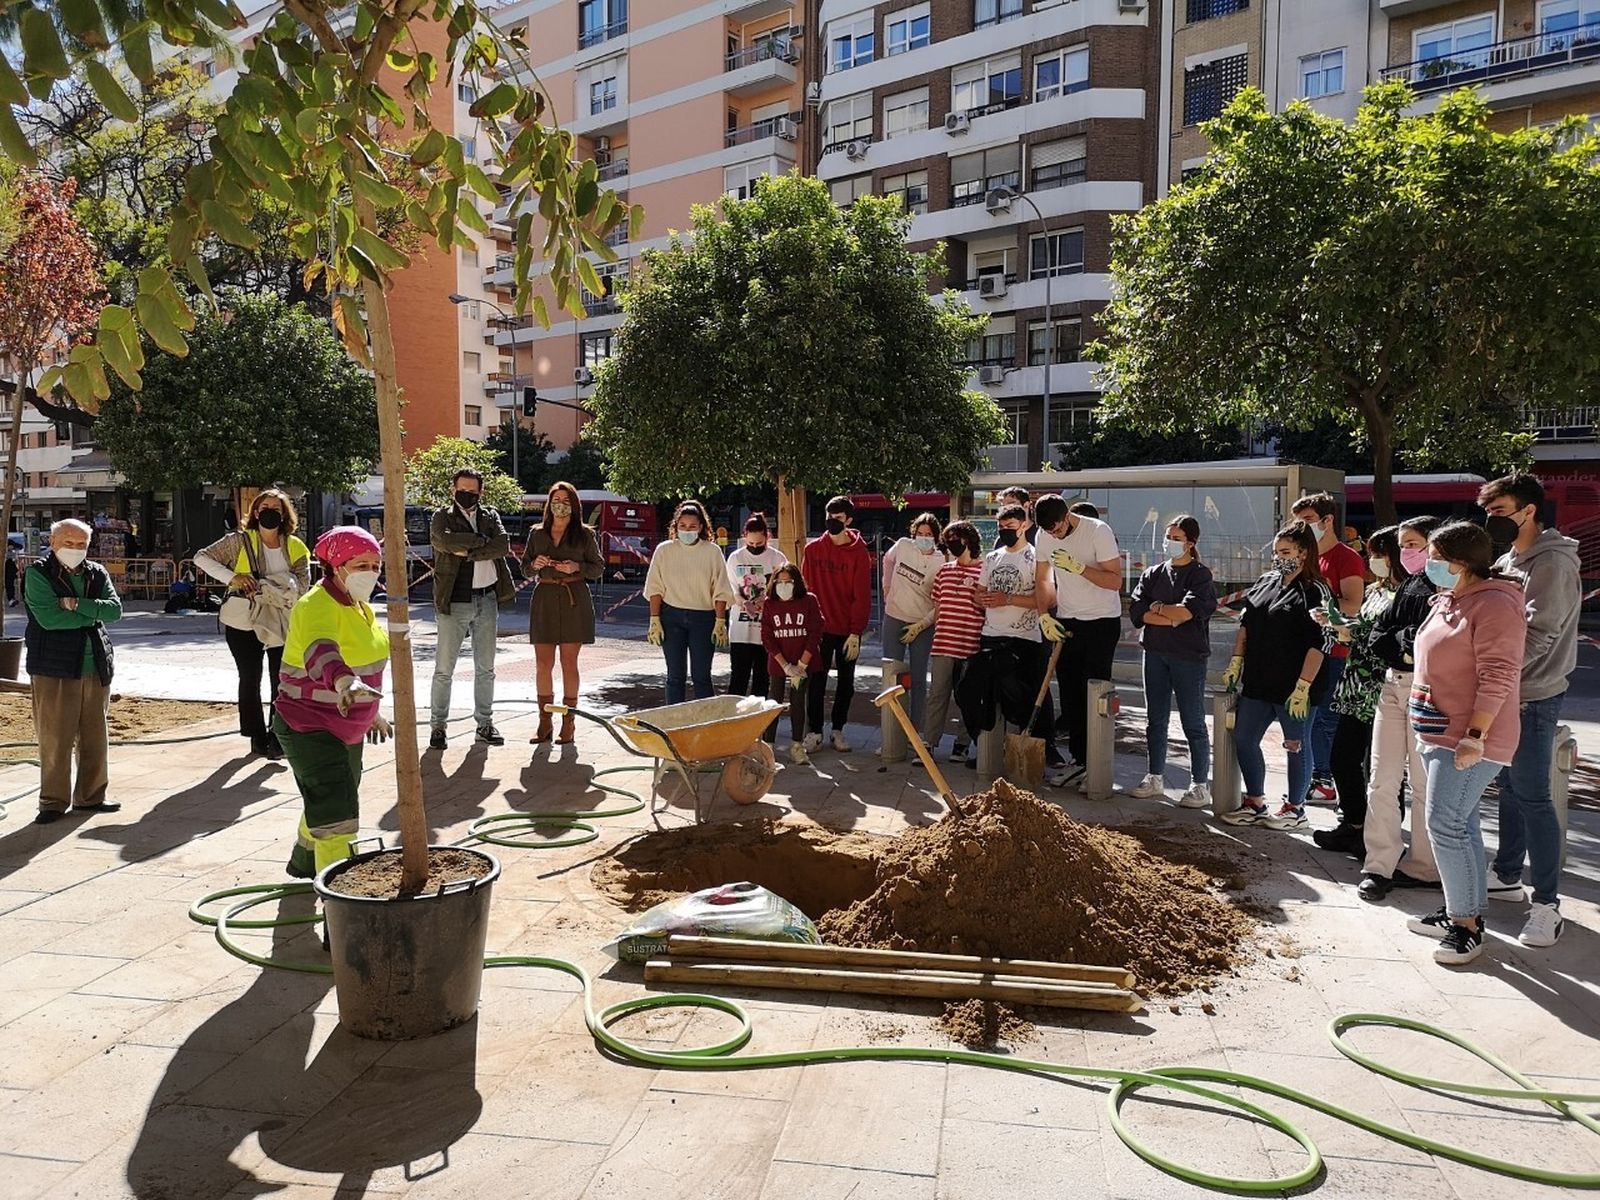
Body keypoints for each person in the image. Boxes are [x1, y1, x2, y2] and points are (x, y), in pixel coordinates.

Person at [1405, 521, 1526, 966]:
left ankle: (1466, 928)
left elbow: (1499, 674)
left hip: (1468, 739)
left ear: (1459, 563)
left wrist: (1475, 736)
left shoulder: (1494, 605)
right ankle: (1465, 910)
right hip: (1438, 731)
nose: (1428, 564)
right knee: (1461, 825)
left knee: (1445, 826)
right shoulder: (1451, 597)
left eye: (1435, 557)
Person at [1480, 473, 1581, 947]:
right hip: (1508, 692)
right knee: (1510, 789)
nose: (1491, 521)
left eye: (1500, 512)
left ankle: (1547, 905)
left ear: (1529, 511)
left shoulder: (1553, 564)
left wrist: (1495, 678)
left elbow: (1540, 634)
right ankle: (1505, 873)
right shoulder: (1508, 559)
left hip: (1534, 694)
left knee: (1535, 795)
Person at [274, 527, 391, 878]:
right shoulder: (315, 605)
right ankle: (337, 906)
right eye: (360, 565)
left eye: (375, 564)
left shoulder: (361, 608)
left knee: (329, 798)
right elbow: (321, 652)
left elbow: (366, 664)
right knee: (338, 816)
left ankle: (304, 860)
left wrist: (372, 712)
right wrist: (344, 682)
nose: (370, 572)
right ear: (336, 566)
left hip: (348, 727)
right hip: (310, 725)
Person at [1346, 517, 1441, 900]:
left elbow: (1429, 640)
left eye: (1413, 544)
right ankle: (1379, 863)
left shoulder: (1451, 587)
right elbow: (1379, 634)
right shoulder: (1410, 586)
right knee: (1382, 779)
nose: (1406, 553)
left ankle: (1424, 865)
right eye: (1403, 545)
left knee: (1422, 784)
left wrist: (1406, 642)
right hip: (1393, 686)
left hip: (1429, 692)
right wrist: (1405, 644)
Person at [1220, 521, 1335, 830]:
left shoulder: (1316, 591)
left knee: (1296, 744)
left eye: (1285, 552)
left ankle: (1296, 808)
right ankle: (1255, 802)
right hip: (1258, 681)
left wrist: (1303, 687)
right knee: (1244, 738)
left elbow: (1321, 641)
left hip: (1295, 685)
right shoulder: (1266, 581)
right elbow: (1246, 625)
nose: (1278, 558)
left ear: (1303, 552)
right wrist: (1235, 662)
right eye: (1275, 552)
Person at [194, 490, 312, 760]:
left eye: (276, 507)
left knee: (280, 679)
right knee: (250, 678)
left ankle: (277, 735)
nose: (270, 511)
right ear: (256, 512)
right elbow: (201, 557)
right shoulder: (239, 541)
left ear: (285, 515)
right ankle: (256, 735)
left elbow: (304, 584)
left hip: (281, 620)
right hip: (243, 619)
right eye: (265, 506)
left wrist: (278, 589)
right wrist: (233, 577)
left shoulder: (295, 545)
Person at [1312, 526, 1405, 861]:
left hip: (1384, 690)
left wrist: (1351, 632)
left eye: (1378, 553)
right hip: (1357, 686)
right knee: (1344, 758)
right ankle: (1353, 823)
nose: (1372, 560)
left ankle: (1381, 836)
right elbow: (1364, 628)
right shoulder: (1376, 589)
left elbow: (1389, 639)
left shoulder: (1409, 593)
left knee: (1383, 769)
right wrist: (1338, 625)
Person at [24, 519, 123, 825]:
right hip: (53, 667)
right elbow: (49, 619)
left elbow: (114, 611)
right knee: (55, 737)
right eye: (69, 542)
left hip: (94, 665)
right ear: (53, 543)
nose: (76, 549)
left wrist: (74, 603)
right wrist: (90, 612)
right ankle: (53, 801)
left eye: (82, 544)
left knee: (95, 736)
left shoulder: (96, 572)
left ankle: (91, 796)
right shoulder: (37, 574)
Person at [1034, 494, 1124, 789]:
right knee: (1071, 696)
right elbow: (1044, 580)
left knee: (1095, 695)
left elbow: (1115, 581)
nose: (1053, 536)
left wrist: (1079, 567)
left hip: (1101, 622)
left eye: (1057, 530)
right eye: (1048, 532)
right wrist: (1044, 615)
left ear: (1067, 517)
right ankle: (1078, 761)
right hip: (1068, 620)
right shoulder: (1044, 535)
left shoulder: (1098, 531)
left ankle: (1097, 763)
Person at [1127, 515, 1216, 807]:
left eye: (1177, 538)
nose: (1170, 542)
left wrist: (1160, 611)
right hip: (1154, 653)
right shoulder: (1153, 573)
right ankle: (1154, 776)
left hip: (1188, 656)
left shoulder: (1200, 574)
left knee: (1193, 721)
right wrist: (1167, 614)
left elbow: (1187, 613)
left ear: (1191, 543)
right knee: (1156, 719)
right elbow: (1138, 613)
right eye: (1168, 537)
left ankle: (1200, 784)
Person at [428, 469, 514, 749]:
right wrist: (480, 541)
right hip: (454, 600)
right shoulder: (442, 516)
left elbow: (502, 546)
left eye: (472, 491)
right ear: (453, 490)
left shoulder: (490, 516)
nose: (467, 495)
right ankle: (438, 726)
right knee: (444, 669)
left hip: (487, 599)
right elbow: (442, 542)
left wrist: (469, 551)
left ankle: (484, 724)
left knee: (486, 668)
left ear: (481, 492)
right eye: (462, 490)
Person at [1290, 492, 1366, 805]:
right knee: (1310, 720)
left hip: (1335, 654)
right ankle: (1319, 779)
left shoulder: (1346, 558)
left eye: (1308, 521)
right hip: (1307, 651)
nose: (1303, 527)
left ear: (1327, 520)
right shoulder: (1307, 557)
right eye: (1299, 522)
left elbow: (1353, 603)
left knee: (1326, 720)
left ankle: (1329, 781)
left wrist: (1323, 608)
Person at [521, 480, 603, 745]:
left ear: (574, 505)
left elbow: (598, 567)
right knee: (543, 664)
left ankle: (569, 722)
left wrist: (576, 567)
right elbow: (525, 569)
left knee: (569, 662)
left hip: (573, 600)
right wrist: (535, 564)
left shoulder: (585, 534)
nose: (560, 505)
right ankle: (544, 721)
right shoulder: (537, 533)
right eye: (556, 500)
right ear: (549, 503)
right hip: (544, 597)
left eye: (566, 501)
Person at [973, 503, 1050, 744]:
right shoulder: (992, 557)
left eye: (1010, 526)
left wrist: (1007, 599)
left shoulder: (1037, 558)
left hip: (1023, 639)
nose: (1004, 531)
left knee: (1020, 694)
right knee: (983, 693)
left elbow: (1044, 600)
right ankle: (988, 747)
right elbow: (979, 592)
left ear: (1024, 526)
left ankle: (1026, 743)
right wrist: (982, 598)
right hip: (991, 635)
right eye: (1001, 527)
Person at [644, 499, 733, 703]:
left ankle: (706, 726)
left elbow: (720, 590)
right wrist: (654, 619)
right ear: (675, 526)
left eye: (692, 526)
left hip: (703, 618)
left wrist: (720, 622)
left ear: (701, 527)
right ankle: (675, 726)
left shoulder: (712, 552)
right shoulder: (664, 550)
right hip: (671, 616)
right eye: (682, 526)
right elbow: (655, 587)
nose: (687, 530)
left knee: (701, 677)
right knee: (675, 677)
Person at [802, 495, 871, 751]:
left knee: (846, 682)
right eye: (829, 517)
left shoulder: (859, 554)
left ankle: (838, 729)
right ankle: (815, 731)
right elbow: (806, 590)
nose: (832, 522)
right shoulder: (812, 550)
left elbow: (861, 596)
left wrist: (856, 632)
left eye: (838, 519)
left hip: (846, 631)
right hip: (818, 630)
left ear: (849, 521)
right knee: (816, 681)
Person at [923, 520, 985, 763]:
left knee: (967, 698)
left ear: (967, 541)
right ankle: (929, 742)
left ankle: (962, 744)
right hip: (943, 643)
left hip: (971, 645)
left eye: (953, 540)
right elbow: (938, 607)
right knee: (937, 694)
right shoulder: (944, 571)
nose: (949, 545)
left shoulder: (984, 571)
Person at [880, 512, 944, 731]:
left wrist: (922, 626)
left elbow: (939, 601)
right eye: (920, 533)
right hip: (894, 617)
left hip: (922, 624)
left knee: (917, 679)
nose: (923, 537)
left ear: (936, 536)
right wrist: (886, 588)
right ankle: (891, 732)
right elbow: (887, 560)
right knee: (892, 677)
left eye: (928, 534)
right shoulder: (903, 546)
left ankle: (915, 731)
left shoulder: (941, 562)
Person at [761, 562, 824, 764]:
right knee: (774, 702)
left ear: (797, 582)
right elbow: (767, 637)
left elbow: (815, 633)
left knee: (798, 702)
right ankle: (768, 746)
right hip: (779, 663)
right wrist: (785, 665)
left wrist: (801, 666)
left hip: (803, 662)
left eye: (788, 582)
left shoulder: (808, 601)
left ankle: (797, 745)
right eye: (780, 582)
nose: (784, 586)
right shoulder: (770, 604)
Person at [725, 514, 787, 700]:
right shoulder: (735, 557)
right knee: (738, 677)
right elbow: (731, 587)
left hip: (766, 628)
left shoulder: (777, 558)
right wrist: (744, 602)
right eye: (750, 544)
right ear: (745, 538)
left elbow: (784, 589)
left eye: (759, 544)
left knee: (762, 678)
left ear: (767, 538)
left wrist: (766, 601)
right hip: (741, 627)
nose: (754, 548)